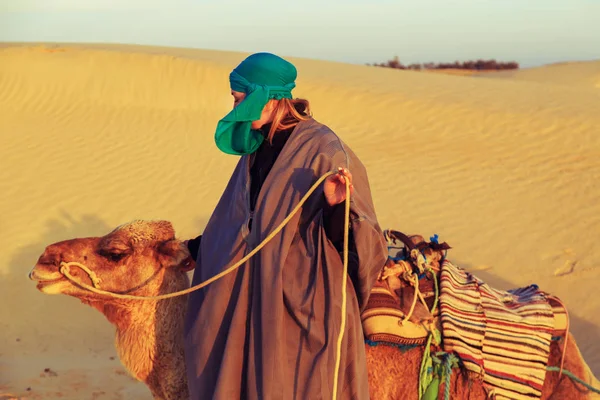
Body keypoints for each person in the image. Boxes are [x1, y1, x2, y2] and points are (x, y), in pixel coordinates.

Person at [183, 52, 387, 399]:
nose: (236, 106)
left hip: (301, 303)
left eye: (240, 97)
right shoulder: (257, 147)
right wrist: (194, 249)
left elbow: (360, 243)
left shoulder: (324, 149)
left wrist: (337, 206)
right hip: (254, 292)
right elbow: (240, 221)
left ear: (266, 96)